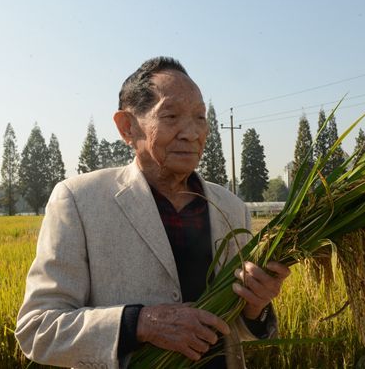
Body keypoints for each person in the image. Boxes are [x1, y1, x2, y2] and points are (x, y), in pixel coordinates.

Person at [15, 57, 291, 369]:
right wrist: (141, 323)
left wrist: (256, 307)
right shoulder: (80, 201)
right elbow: (38, 329)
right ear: (127, 126)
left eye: (200, 118)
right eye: (171, 116)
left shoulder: (230, 208)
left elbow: (238, 331)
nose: (191, 133)